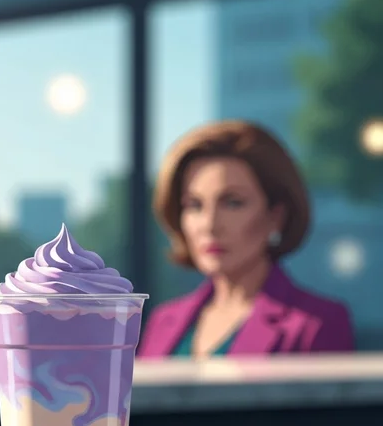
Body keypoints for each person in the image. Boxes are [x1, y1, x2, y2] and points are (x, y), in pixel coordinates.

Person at [138, 120, 354, 358]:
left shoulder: (315, 325)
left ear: (276, 216)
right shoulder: (162, 320)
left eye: (233, 203)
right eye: (195, 205)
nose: (209, 225)